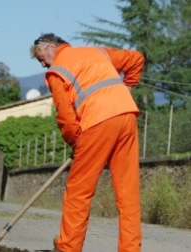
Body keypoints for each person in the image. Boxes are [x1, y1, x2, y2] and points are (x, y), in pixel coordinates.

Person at [30, 33, 145, 252]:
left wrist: (76, 143)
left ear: (52, 47)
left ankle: (68, 248)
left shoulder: (57, 72)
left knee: (78, 191)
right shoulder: (96, 51)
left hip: (97, 123)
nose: (43, 64)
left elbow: (66, 119)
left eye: (41, 58)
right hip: (127, 117)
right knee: (127, 192)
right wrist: (128, 88)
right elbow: (137, 58)